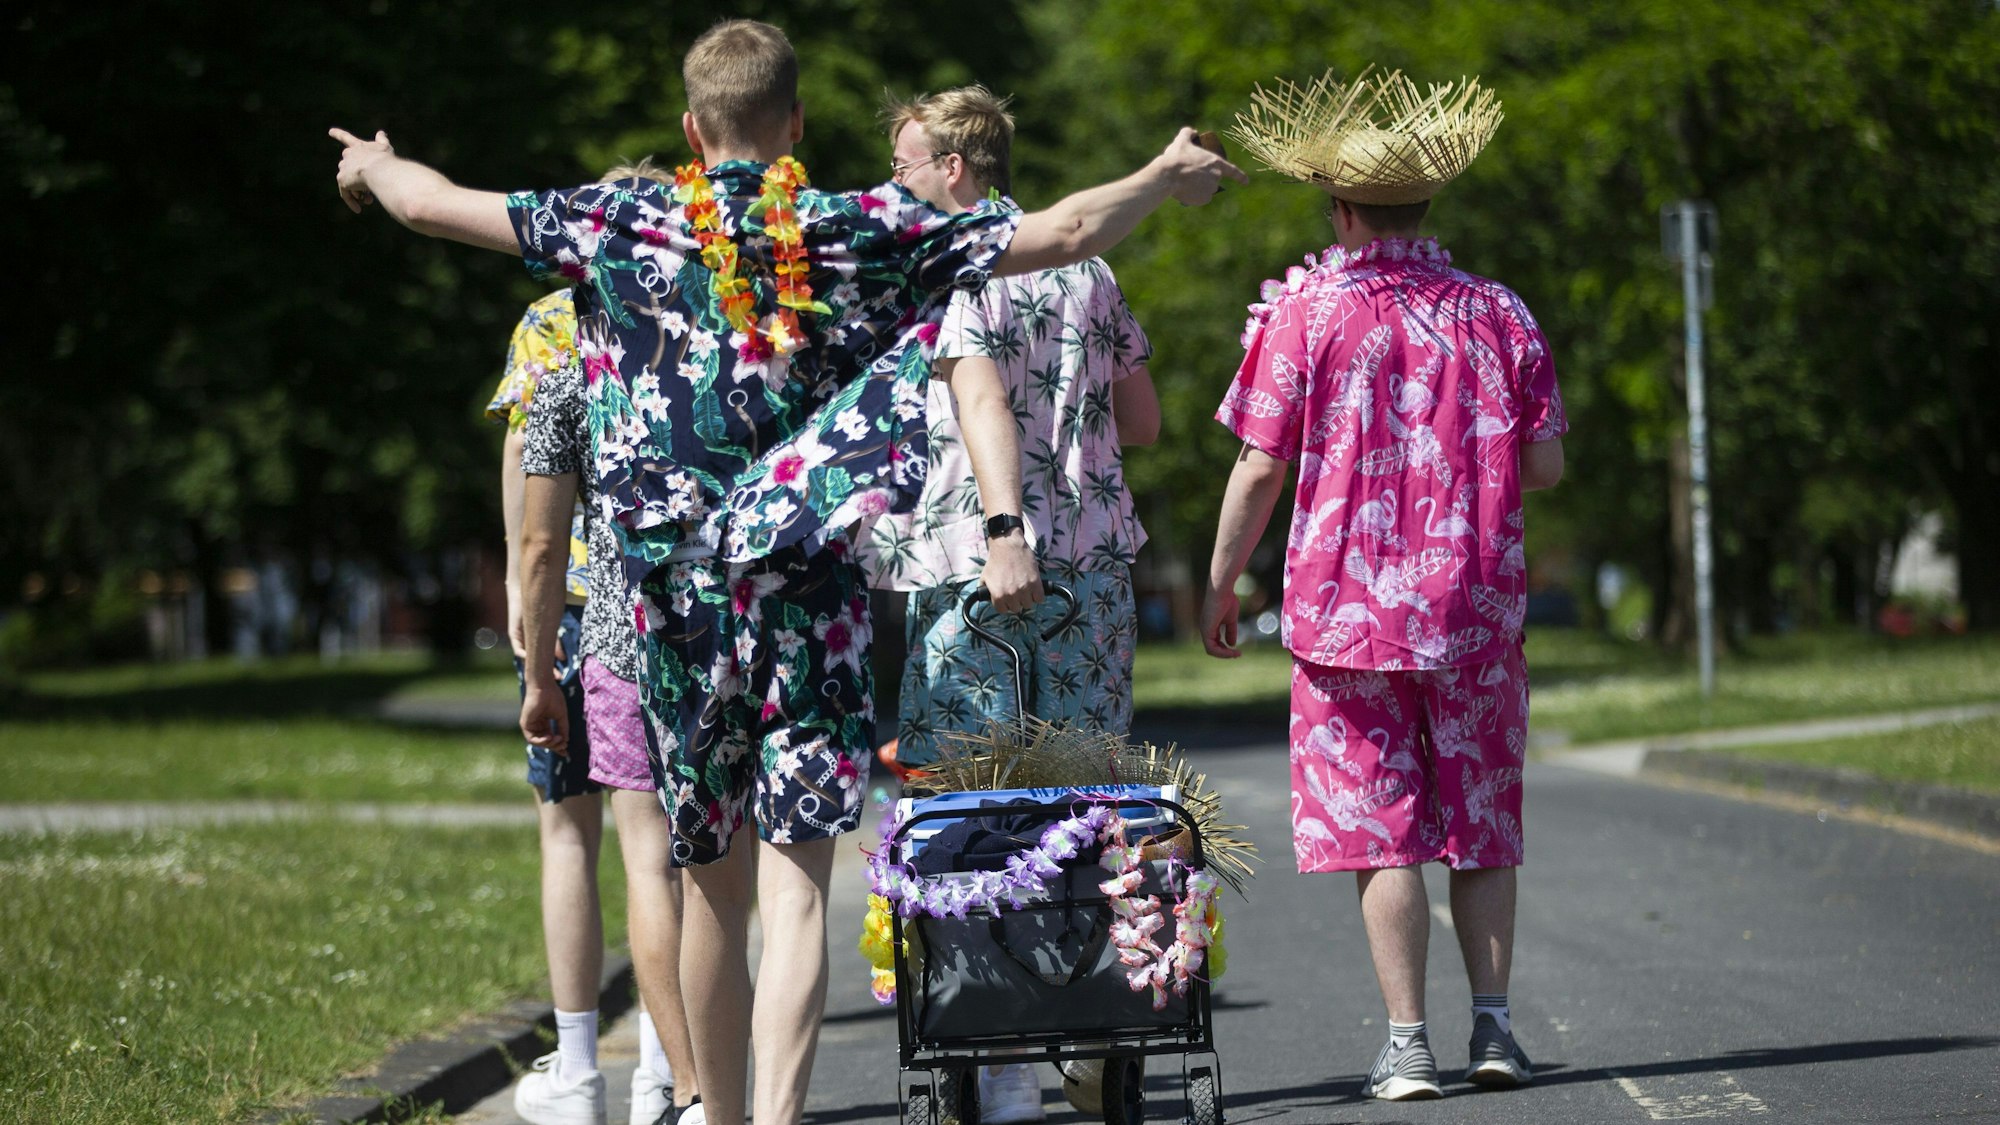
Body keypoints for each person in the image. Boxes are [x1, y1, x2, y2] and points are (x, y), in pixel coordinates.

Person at [329, 21, 1239, 1125]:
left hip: (673, 608)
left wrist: (374, 165)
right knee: (796, 888)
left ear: (690, 128)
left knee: (709, 887)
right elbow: (1064, 230)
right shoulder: (851, 227)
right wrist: (1163, 172)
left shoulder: (614, 221)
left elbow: (435, 206)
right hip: (810, 602)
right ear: (796, 123)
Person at [1203, 69, 1565, 1101]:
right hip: (1473, 610)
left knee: (1382, 830)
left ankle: (1407, 1045)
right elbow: (1543, 465)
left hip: (1343, 615)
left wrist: (1222, 581)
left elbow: (1259, 466)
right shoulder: (1498, 310)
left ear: (1341, 209)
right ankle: (1494, 1030)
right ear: (1424, 203)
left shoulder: (1305, 312)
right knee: (1481, 822)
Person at [858, 84, 1160, 1125]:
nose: (892, 184)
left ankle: (996, 1056)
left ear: (953, 169)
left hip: (971, 559)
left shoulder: (947, 264)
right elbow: (1143, 419)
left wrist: (1003, 521)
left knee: (970, 801)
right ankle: (1098, 1031)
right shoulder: (1090, 264)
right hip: (1092, 561)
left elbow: (979, 395)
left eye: (903, 165)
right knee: (1088, 797)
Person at [513, 163, 707, 1125]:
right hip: (710, 626)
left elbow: (535, 529)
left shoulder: (557, 350)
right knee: (700, 863)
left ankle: (622, 1073)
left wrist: (530, 643)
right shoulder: (715, 336)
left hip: (599, 626)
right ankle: (672, 1079)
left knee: (605, 849)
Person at [490, 281, 621, 1124]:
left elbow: (520, 450)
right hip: (654, 600)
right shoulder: (685, 293)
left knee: (568, 833)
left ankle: (577, 1071)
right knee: (662, 848)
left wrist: (515, 582)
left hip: (565, 603)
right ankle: (671, 1078)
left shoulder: (550, 318)